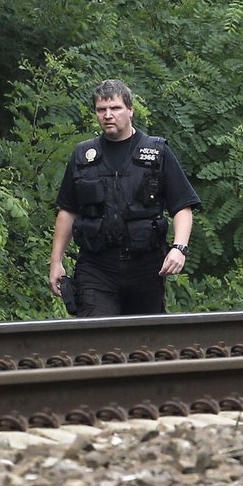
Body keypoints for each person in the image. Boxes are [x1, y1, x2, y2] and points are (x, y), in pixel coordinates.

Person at [49, 79, 201, 316]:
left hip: (146, 267)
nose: (108, 115)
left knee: (143, 344)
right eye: (101, 110)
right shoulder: (83, 156)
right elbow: (68, 210)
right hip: (96, 266)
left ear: (130, 110)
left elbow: (183, 205)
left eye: (115, 108)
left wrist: (179, 248)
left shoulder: (156, 153)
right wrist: (56, 261)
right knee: (97, 339)